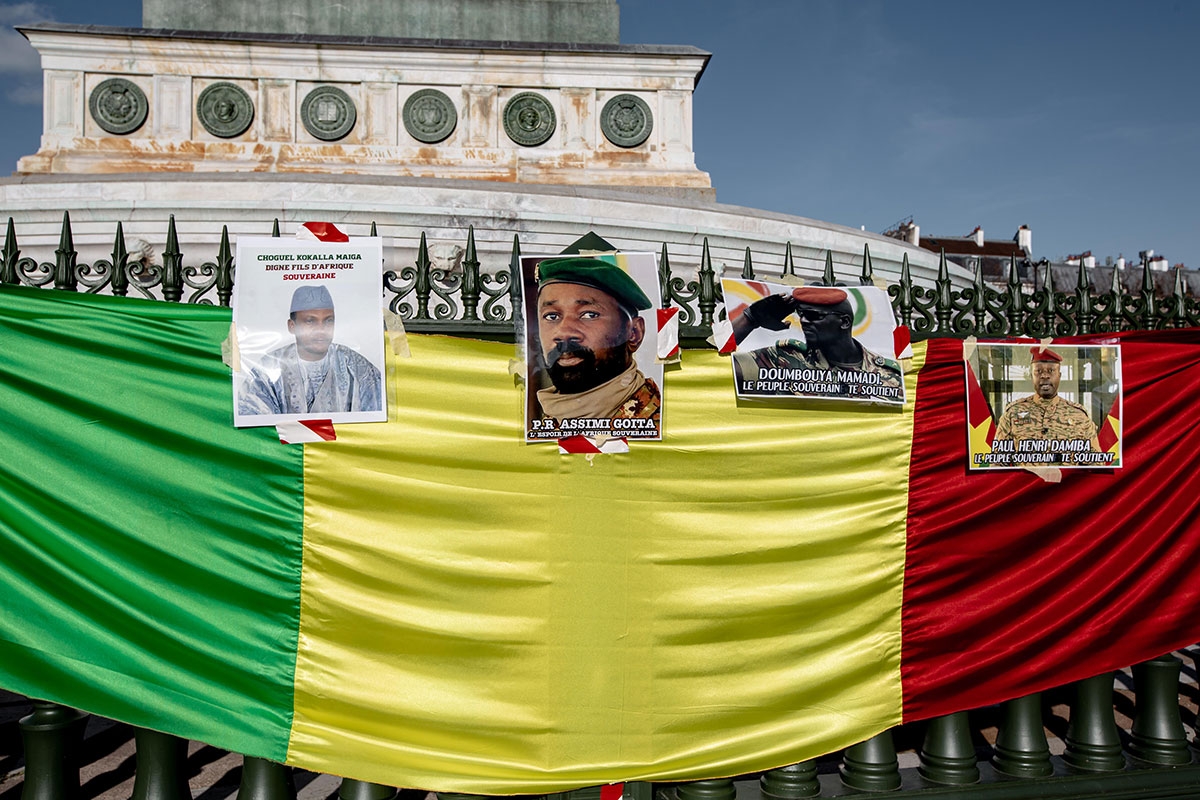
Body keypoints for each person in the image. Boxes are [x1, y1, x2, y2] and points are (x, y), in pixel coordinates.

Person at [531, 256, 660, 427]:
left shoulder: (666, 423)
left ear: (634, 333)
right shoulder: (543, 427)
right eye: (551, 316)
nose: (564, 332)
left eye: (589, 315)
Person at [730, 286, 903, 399]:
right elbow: (717, 369)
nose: (804, 321)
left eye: (813, 316)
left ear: (844, 322)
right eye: (801, 314)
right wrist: (749, 320)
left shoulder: (886, 375)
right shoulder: (784, 359)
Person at [238, 284, 382, 416]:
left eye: (328, 321)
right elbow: (253, 422)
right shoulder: (268, 368)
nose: (321, 329)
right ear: (292, 326)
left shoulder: (357, 367)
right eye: (310, 321)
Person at [995, 346, 1099, 450]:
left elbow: (1096, 463)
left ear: (1059, 375)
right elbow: (997, 462)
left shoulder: (1079, 416)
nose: (1045, 375)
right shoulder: (1013, 414)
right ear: (1031, 376)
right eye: (1038, 371)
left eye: (1051, 370)